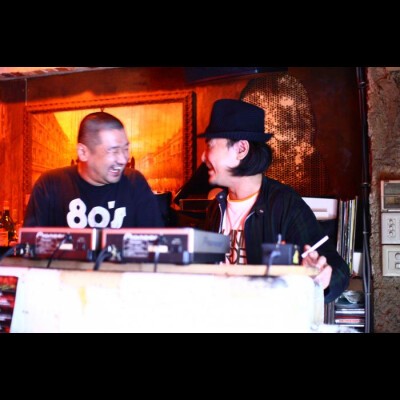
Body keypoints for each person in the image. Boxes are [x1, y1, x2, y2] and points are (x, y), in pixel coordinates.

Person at [199, 99, 349, 303]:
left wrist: (322, 278)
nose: (203, 157)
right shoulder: (216, 207)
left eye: (210, 145)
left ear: (241, 149)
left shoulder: (285, 204)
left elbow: (339, 271)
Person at [23, 111, 164, 229]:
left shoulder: (134, 183)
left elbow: (155, 245)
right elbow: (30, 247)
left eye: (125, 149)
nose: (123, 159)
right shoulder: (49, 185)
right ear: (83, 152)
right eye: (113, 150)